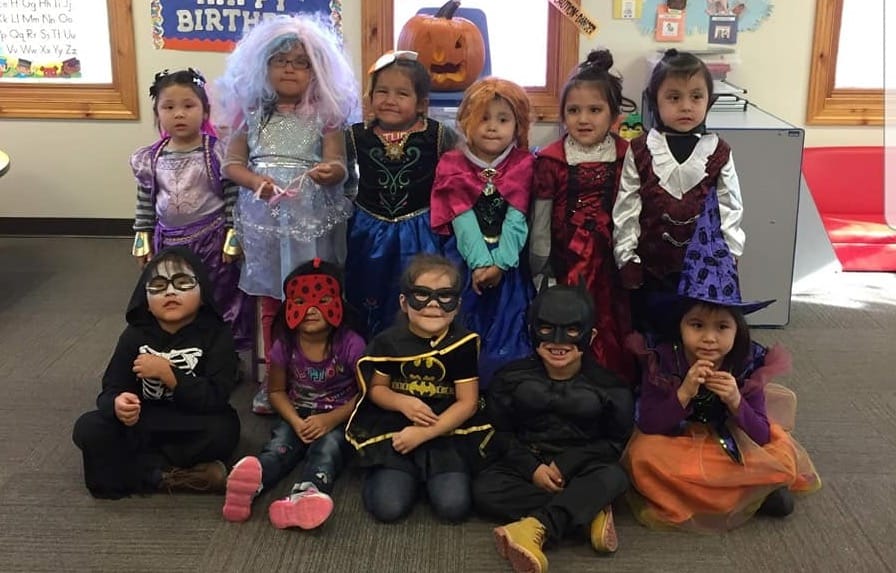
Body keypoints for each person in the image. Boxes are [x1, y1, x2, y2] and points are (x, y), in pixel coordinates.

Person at [621, 189, 821, 531]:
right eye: (697, 326)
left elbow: (759, 433)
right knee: (643, 457)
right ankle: (739, 496)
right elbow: (651, 424)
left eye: (722, 327)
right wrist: (683, 392)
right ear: (680, 326)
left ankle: (730, 494)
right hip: (678, 441)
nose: (709, 338)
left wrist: (735, 400)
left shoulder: (746, 364)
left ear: (737, 330)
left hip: (727, 440)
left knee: (779, 456)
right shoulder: (663, 360)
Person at [215, 15, 359, 414]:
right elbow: (232, 164)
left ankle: (317, 374)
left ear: (318, 70)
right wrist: (256, 182)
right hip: (265, 219)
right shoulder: (253, 113)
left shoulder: (326, 116)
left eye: (301, 62)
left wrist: (331, 171)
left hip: (310, 220)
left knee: (312, 293)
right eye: (281, 61)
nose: (291, 69)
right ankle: (272, 379)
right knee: (270, 299)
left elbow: (338, 165)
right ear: (264, 68)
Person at [473, 283, 634, 573]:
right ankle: (586, 512)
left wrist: (567, 463)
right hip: (525, 464)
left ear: (591, 335)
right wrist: (532, 467)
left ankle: (535, 528)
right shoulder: (509, 379)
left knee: (615, 477)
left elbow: (615, 443)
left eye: (572, 331)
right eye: (546, 329)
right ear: (532, 331)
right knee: (484, 489)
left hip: (583, 467)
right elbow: (498, 432)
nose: (558, 341)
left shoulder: (611, 387)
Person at [72, 247, 241, 499]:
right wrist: (118, 404)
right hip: (145, 422)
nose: (170, 291)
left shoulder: (217, 334)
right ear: (146, 299)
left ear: (203, 292)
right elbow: (111, 389)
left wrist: (170, 374)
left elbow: (216, 396)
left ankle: (143, 471)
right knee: (88, 428)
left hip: (192, 421)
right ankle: (180, 477)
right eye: (159, 286)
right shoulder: (134, 335)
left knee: (225, 430)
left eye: (182, 283)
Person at [345, 254, 491, 523]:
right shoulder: (388, 342)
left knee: (453, 508)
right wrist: (402, 402)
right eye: (421, 295)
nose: (433, 305)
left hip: (445, 427)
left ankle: (433, 475)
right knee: (388, 508)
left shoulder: (462, 344)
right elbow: (377, 389)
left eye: (444, 296)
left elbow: (467, 403)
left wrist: (425, 433)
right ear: (404, 302)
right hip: (396, 426)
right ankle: (398, 475)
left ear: (457, 305)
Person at [223, 259, 364, 529]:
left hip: (340, 418)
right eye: (300, 301)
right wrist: (296, 421)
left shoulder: (352, 345)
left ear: (337, 304)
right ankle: (252, 482)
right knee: (279, 447)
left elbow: (365, 394)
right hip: (296, 413)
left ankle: (306, 495)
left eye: (321, 300)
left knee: (328, 450)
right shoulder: (284, 346)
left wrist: (330, 419)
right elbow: (276, 391)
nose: (311, 309)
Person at [612, 49, 745, 332]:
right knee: (651, 329)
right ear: (654, 101)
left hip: (704, 266)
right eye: (674, 97)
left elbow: (730, 207)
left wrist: (730, 256)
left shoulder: (719, 151)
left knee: (697, 330)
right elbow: (627, 206)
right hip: (651, 267)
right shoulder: (640, 149)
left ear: (709, 101)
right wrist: (626, 257)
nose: (686, 106)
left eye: (696, 97)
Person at [529, 49, 635, 384]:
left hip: (610, 261)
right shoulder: (550, 160)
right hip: (566, 261)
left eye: (595, 110)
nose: (583, 119)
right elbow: (541, 221)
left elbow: (633, 211)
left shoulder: (626, 156)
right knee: (566, 318)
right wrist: (540, 269)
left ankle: (609, 383)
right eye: (573, 111)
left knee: (611, 322)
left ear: (614, 115)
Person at [129, 68, 253, 352]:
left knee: (217, 298)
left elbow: (234, 196)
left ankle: (222, 354)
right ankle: (182, 350)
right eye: (168, 107)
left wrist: (233, 236)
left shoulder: (217, 152)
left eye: (188, 106)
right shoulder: (150, 158)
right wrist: (142, 239)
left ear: (205, 111)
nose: (179, 114)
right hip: (168, 244)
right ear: (157, 113)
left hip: (212, 242)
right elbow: (145, 201)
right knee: (176, 296)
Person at [344, 50, 461, 338]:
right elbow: (340, 171)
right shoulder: (355, 135)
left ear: (422, 103)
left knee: (420, 287)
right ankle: (371, 349)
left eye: (401, 94)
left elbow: (459, 176)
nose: (389, 100)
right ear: (369, 97)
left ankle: (421, 346)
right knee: (369, 290)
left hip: (421, 229)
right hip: (369, 228)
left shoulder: (439, 135)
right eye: (381, 91)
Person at [430, 77, 535, 387]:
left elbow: (518, 218)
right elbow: (461, 217)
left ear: (518, 126)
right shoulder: (452, 164)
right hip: (465, 261)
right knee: (462, 323)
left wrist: (499, 265)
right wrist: (479, 265)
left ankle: (500, 390)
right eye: (483, 118)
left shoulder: (524, 164)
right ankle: (460, 391)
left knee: (507, 326)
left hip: (508, 263)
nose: (492, 127)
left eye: (503, 120)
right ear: (465, 122)